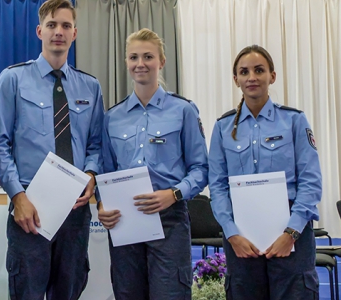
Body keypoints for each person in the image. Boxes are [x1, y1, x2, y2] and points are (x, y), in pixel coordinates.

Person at [0, 0, 104, 298]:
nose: (59, 32)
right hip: (30, 206)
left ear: (74, 33)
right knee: (27, 290)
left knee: (69, 288)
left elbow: (95, 144)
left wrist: (91, 174)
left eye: (66, 25)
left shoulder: (90, 87)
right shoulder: (12, 79)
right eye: (52, 25)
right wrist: (18, 196)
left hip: (75, 209)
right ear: (40, 31)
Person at [96, 28, 208, 299]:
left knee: (170, 294)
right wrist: (101, 204)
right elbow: (104, 171)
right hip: (125, 220)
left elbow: (201, 169)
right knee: (127, 293)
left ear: (162, 61)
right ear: (126, 62)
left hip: (169, 220)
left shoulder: (183, 110)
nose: (140, 63)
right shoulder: (112, 117)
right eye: (133, 57)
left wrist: (173, 194)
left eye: (148, 56)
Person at [209, 45, 321, 299]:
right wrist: (232, 233)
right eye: (244, 71)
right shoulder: (223, 127)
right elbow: (216, 185)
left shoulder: (294, 121)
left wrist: (291, 234)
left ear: (272, 76)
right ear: (235, 79)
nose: (252, 77)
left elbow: (310, 181)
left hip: (292, 235)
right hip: (241, 239)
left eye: (259, 70)